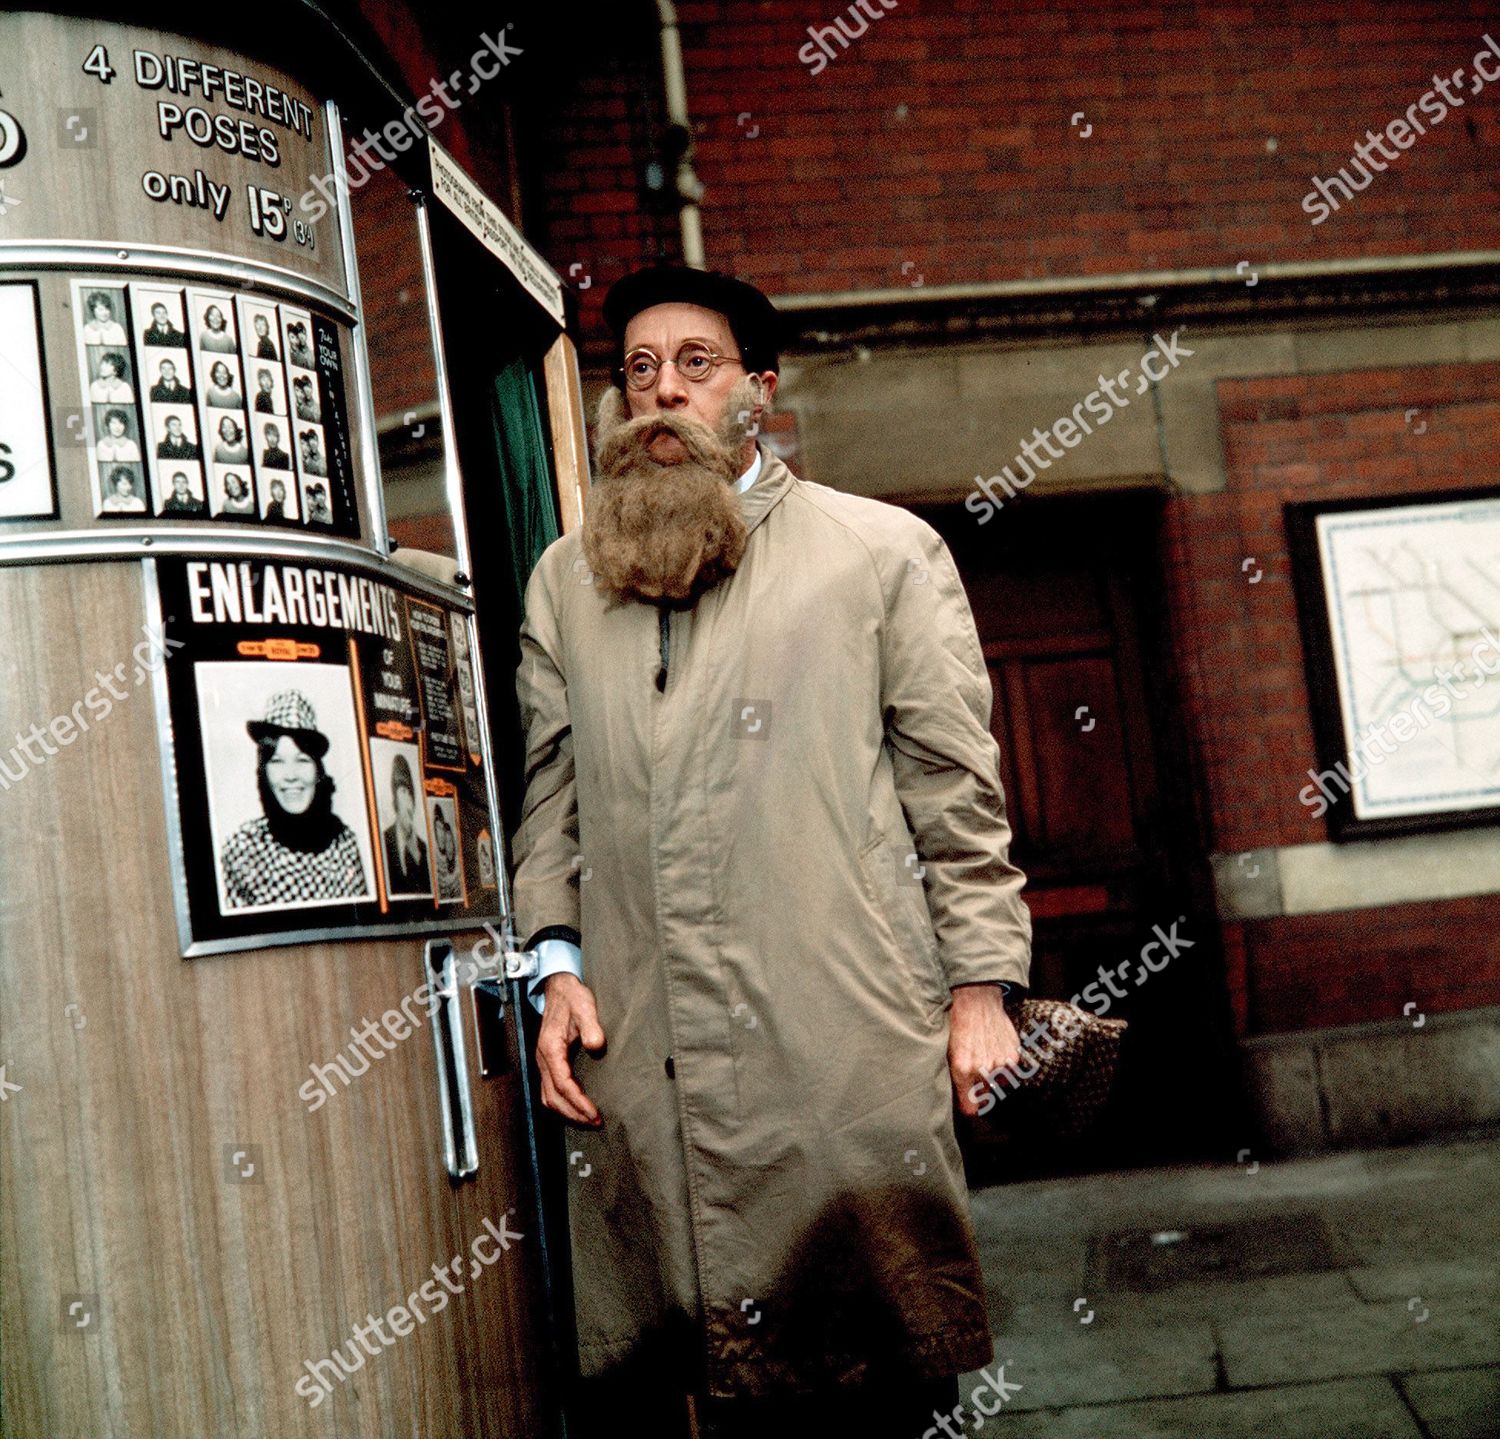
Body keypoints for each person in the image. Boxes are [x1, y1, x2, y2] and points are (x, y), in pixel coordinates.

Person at [511, 265, 1032, 1439]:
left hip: (840, 1043)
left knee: (871, 1370)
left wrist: (981, 987)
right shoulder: (564, 581)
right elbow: (551, 801)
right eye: (638, 369)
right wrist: (554, 971)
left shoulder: (877, 553)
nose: (662, 391)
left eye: (695, 363)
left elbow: (957, 794)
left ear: (757, 389)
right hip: (643, 1056)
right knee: (691, 1386)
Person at [219, 690, 368, 908]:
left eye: (302, 760)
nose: (291, 775)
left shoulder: (344, 844)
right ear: (263, 771)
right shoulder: (243, 848)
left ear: (318, 770)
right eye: (277, 761)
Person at [381, 753, 430, 894]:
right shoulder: (383, 842)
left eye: (411, 794)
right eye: (403, 791)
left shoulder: (423, 849)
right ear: (395, 798)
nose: (408, 801)